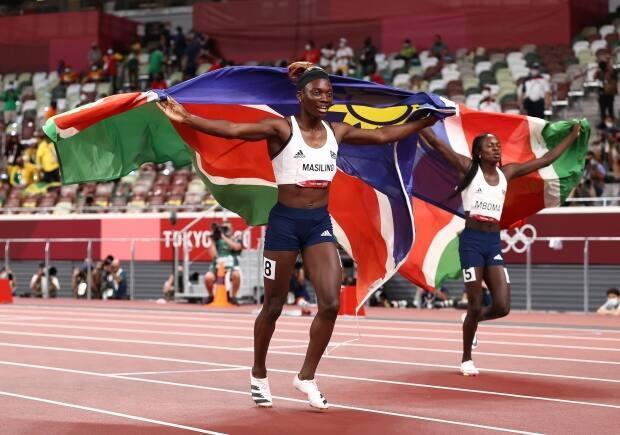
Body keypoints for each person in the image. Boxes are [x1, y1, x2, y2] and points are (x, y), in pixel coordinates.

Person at [156, 61, 438, 409]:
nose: (324, 98)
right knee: (273, 305)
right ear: (300, 95)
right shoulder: (281, 129)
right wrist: (187, 119)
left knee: (331, 303)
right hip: (284, 226)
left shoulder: (339, 131)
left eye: (329, 93)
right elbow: (231, 129)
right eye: (317, 92)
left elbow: (382, 135)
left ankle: (306, 376)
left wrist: (425, 120)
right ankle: (258, 372)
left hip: (318, 224)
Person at [420, 121, 581, 376]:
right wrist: (418, 122)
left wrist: (573, 135)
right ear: (479, 152)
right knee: (474, 303)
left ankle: (471, 321)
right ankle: (466, 359)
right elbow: (438, 145)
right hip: (471, 242)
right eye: (490, 146)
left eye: (498, 145)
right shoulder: (468, 168)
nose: (496, 149)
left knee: (502, 306)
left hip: (493, 243)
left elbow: (547, 159)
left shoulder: (508, 173)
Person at [203, 221, 243, 304]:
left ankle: (233, 297)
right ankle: (211, 296)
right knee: (208, 277)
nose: (225, 230)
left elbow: (237, 247)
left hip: (232, 266)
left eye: (227, 228)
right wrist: (212, 241)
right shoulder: (217, 240)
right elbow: (213, 255)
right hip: (217, 266)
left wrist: (224, 237)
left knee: (236, 275)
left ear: (232, 229)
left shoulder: (236, 238)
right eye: (223, 228)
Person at [596, 61, 618, 126]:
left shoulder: (612, 72)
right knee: (603, 109)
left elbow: (611, 78)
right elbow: (595, 77)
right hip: (603, 93)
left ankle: (611, 122)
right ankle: (604, 122)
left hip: (609, 93)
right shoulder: (600, 72)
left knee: (609, 108)